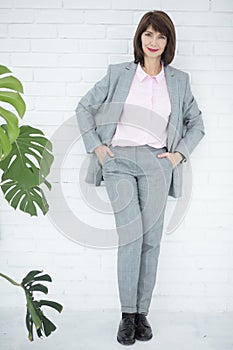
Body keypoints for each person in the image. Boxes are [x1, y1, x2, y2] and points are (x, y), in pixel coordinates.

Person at [75, 10, 205, 346]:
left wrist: (177, 156)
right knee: (130, 237)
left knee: (151, 240)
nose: (153, 42)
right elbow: (84, 107)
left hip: (157, 163)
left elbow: (197, 123)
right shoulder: (118, 74)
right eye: (148, 34)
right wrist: (97, 148)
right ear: (139, 38)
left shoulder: (179, 81)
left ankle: (142, 314)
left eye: (160, 36)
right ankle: (126, 314)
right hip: (118, 160)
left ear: (168, 42)